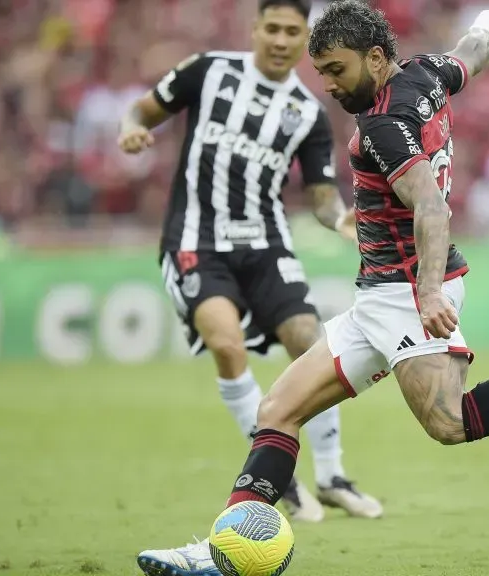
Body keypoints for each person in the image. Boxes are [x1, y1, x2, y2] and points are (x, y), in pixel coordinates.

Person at [136, 2, 489, 573]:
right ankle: (222, 549)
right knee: (277, 410)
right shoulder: (425, 74)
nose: (328, 84)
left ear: (376, 58)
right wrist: (486, 25)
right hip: (380, 296)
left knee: (449, 423)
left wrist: (427, 293)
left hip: (410, 292)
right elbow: (468, 57)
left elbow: (429, 203)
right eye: (322, 71)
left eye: (336, 69)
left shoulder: (382, 126)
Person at [117, 0, 383, 535]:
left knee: (312, 342)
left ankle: (332, 476)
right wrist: (131, 129)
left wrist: (340, 221)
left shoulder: (306, 110)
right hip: (196, 241)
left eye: (293, 31)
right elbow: (143, 110)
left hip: (266, 245)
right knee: (226, 344)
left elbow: (322, 194)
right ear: (256, 29)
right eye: (274, 29)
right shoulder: (208, 70)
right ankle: (281, 482)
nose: (282, 41)